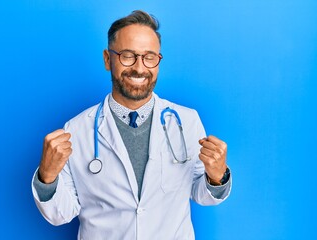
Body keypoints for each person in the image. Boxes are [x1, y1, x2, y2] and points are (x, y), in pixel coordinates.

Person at [32, 10, 232, 240]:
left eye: (149, 57)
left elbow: (202, 195)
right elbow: (61, 214)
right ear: (108, 59)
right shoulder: (75, 130)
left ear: (158, 60)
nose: (139, 68)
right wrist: (47, 177)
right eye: (127, 56)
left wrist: (217, 177)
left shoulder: (186, 121)